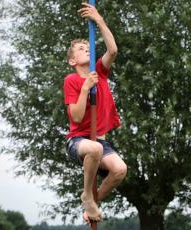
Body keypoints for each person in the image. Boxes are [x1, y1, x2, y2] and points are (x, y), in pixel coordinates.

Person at [63, 3, 127, 223]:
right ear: (72, 61)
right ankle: (87, 197)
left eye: (88, 48)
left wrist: (99, 20)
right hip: (79, 142)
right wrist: (84, 88)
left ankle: (91, 204)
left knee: (120, 169)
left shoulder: (99, 71)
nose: (87, 49)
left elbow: (113, 50)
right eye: (82, 49)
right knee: (94, 147)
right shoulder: (71, 80)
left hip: (100, 142)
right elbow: (78, 117)